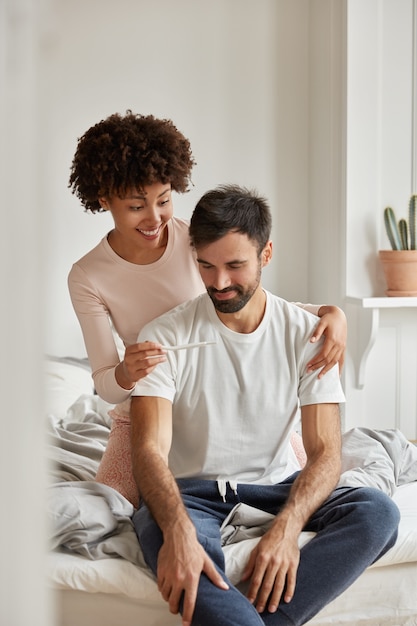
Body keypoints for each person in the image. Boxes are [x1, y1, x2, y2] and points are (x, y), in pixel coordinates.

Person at [130, 184, 400, 626]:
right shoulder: (162, 336)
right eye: (206, 266)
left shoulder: (310, 335)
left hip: (276, 490)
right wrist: (177, 528)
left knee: (378, 513)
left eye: (235, 266)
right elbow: (148, 451)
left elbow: (326, 453)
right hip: (191, 497)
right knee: (174, 541)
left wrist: (288, 529)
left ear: (266, 254)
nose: (219, 283)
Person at [68, 111, 347, 508]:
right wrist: (128, 372)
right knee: (110, 512)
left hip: (226, 401)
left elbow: (244, 298)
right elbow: (105, 382)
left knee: (309, 494)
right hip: (149, 406)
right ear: (104, 199)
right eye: (135, 206)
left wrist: (327, 312)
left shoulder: (193, 239)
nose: (154, 218)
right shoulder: (87, 276)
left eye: (163, 200)